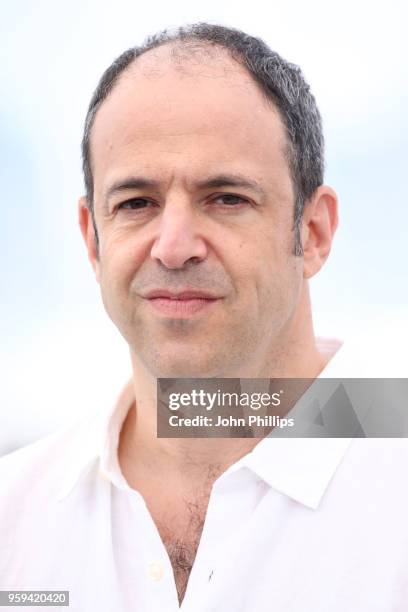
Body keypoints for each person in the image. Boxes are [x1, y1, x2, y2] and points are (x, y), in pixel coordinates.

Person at [1, 22, 407, 612]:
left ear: (313, 232)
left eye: (227, 198)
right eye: (136, 203)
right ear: (93, 240)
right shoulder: (14, 517)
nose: (174, 246)